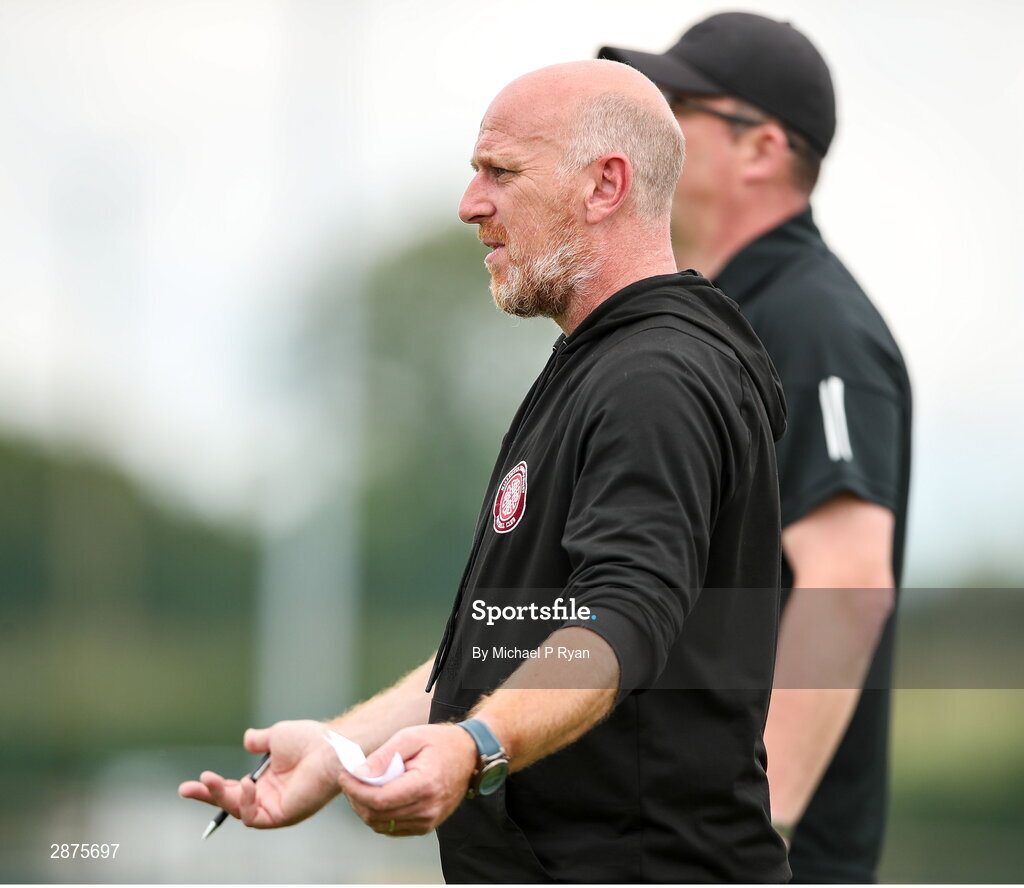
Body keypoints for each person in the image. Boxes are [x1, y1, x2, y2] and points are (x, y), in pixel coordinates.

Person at [180, 59, 791, 882]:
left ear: (605, 185)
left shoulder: (654, 378)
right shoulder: (601, 363)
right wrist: (340, 751)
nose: (471, 204)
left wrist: (475, 746)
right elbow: (512, 637)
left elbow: (621, 619)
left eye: (500, 172)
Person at [600, 12, 913, 883]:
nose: (642, 128)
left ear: (761, 149)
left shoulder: (812, 324)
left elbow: (848, 587)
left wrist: (737, 840)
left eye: (675, 107)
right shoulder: (708, 325)